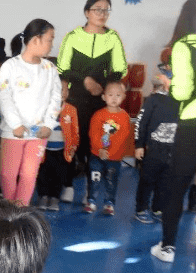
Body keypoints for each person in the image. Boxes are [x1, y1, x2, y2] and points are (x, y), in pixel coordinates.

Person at [151, 0, 196, 263]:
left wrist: (168, 83)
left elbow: (182, 92)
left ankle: (168, 247)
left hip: (195, 124)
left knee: (176, 186)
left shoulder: (185, 46)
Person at [57, 0, 127, 187]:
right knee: (73, 136)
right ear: (87, 12)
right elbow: (62, 68)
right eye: (97, 10)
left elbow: (120, 69)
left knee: (97, 136)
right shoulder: (72, 36)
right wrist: (85, 80)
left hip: (100, 97)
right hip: (76, 97)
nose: (102, 14)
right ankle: (71, 174)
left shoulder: (113, 37)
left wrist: (101, 85)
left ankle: (94, 176)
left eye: (106, 10)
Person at [0, 19, 61, 206]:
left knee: (29, 174)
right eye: (49, 39)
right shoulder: (11, 66)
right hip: (12, 132)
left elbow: (56, 98)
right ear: (35, 40)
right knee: (8, 174)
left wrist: (48, 124)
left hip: (38, 133)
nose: (52, 44)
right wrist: (15, 124)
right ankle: (9, 209)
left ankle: (20, 210)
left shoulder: (50, 69)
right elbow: (4, 97)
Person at [133, 68, 179, 224]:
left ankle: (157, 208)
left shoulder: (183, 101)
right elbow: (141, 122)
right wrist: (139, 145)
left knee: (166, 181)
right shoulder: (153, 99)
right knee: (147, 179)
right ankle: (141, 208)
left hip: (172, 151)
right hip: (153, 149)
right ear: (164, 79)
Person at [83, 81, 129, 215]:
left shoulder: (124, 117)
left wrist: (109, 152)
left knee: (111, 181)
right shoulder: (98, 115)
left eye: (118, 95)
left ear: (123, 97)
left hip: (114, 158)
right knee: (94, 179)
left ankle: (109, 203)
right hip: (96, 155)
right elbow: (93, 133)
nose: (114, 98)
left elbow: (122, 137)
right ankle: (91, 201)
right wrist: (100, 150)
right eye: (110, 95)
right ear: (104, 97)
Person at [36, 76, 78, 211]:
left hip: (62, 151)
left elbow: (75, 130)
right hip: (44, 150)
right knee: (43, 174)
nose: (63, 92)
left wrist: (73, 146)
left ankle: (54, 197)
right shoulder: (43, 108)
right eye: (59, 89)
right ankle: (43, 196)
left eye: (65, 89)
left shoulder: (71, 110)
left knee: (59, 175)